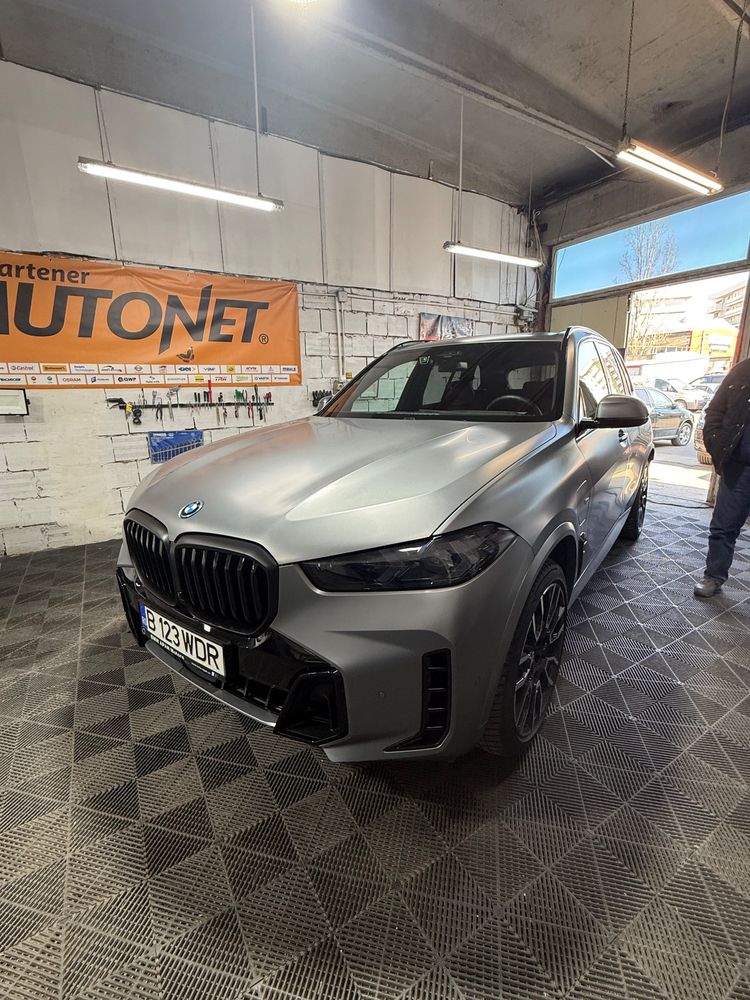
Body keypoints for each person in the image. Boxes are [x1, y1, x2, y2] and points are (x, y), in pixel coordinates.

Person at [694, 358, 750, 598]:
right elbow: (715, 410)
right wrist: (715, 442)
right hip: (739, 467)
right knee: (723, 527)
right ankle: (713, 576)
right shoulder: (743, 371)